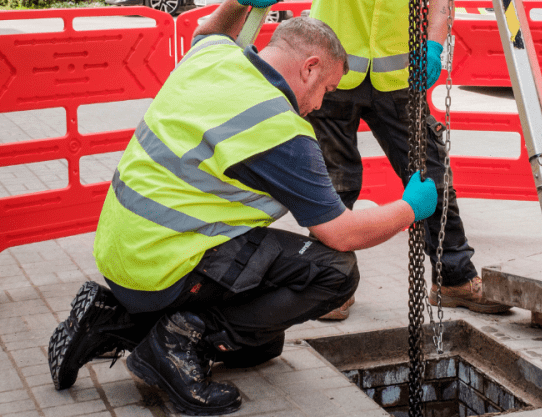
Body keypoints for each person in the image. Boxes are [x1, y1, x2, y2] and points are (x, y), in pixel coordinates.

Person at [46, 2, 441, 415]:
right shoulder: (280, 128)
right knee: (335, 272)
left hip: (123, 255)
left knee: (262, 342)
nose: (322, 104)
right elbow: (341, 233)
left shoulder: (215, 56)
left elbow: (208, 30)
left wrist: (239, 3)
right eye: (327, 87)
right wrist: (408, 209)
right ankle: (174, 344)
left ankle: (111, 320)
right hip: (164, 266)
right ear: (308, 68)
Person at [306, 0, 511, 320]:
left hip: (397, 76)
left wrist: (433, 46)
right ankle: (333, 285)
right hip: (333, 70)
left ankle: (453, 278)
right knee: (335, 182)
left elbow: (440, 4)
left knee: (432, 176)